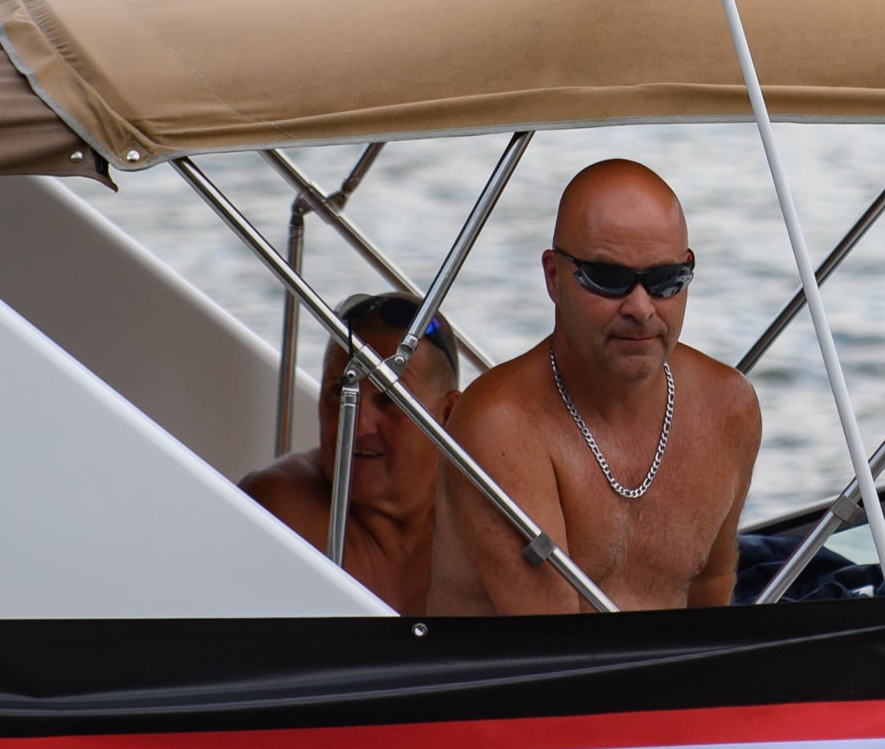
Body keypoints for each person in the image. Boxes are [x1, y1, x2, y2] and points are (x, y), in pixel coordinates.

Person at [429, 160, 763, 615]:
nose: (641, 308)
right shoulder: (501, 424)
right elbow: (558, 642)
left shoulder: (729, 407)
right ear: (553, 277)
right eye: (609, 280)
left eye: (666, 281)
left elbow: (711, 591)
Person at [239, 291, 463, 615]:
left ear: (449, 415)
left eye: (391, 399)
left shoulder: (487, 528)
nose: (357, 427)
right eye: (341, 392)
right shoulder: (277, 512)